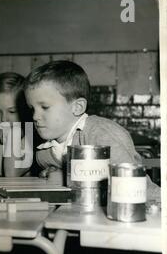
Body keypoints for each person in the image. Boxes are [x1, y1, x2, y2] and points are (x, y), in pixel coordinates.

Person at [23, 60, 160, 203]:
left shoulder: (101, 134)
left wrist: (66, 179)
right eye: (32, 108)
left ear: (77, 107)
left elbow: (129, 184)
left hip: (147, 206)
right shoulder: (45, 150)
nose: (35, 116)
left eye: (44, 107)